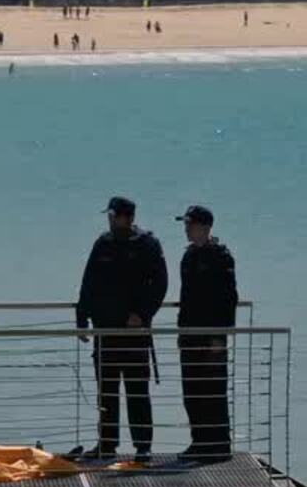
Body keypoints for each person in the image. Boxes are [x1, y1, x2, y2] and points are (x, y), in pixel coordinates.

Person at [77, 196, 169, 460]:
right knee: (106, 391)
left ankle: (143, 446)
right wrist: (82, 318)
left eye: (114, 216)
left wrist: (142, 313)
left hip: (134, 333)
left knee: (137, 390)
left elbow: (160, 284)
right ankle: (107, 444)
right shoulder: (103, 244)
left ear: (127, 218)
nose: (110, 220)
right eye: (109, 216)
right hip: (105, 331)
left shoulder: (148, 245)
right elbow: (89, 282)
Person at [175, 205, 237, 460]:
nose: (186, 229)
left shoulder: (220, 256)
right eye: (186, 224)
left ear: (205, 227)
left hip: (212, 336)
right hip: (190, 333)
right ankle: (199, 441)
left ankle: (219, 445)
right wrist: (181, 330)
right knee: (192, 391)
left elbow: (229, 298)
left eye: (190, 224)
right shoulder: (189, 256)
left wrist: (219, 336)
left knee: (213, 391)